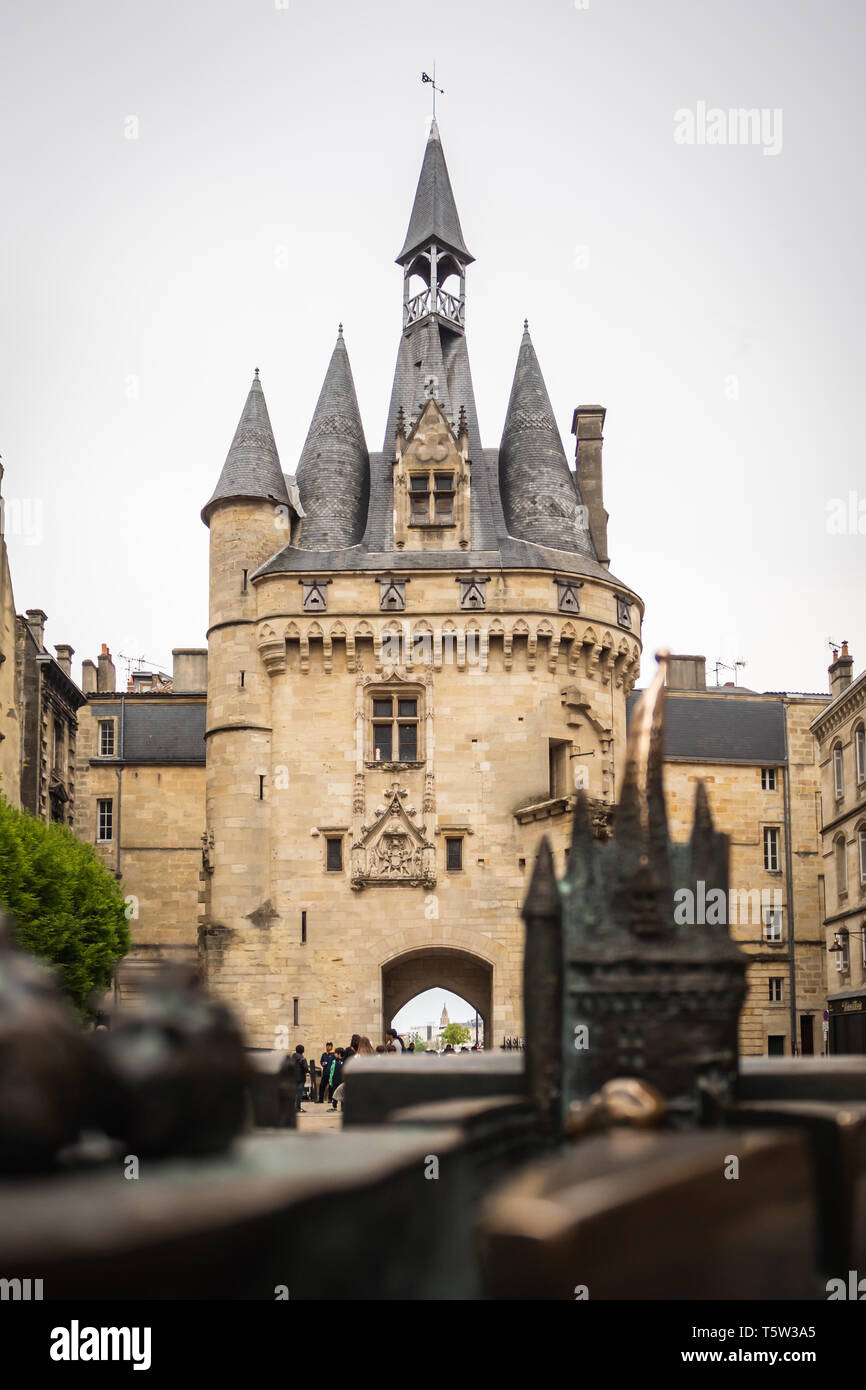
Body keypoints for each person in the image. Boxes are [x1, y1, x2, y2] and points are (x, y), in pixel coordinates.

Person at [293, 1043, 308, 1113]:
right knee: (299, 1094)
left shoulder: (292, 1058)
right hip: (301, 1079)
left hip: (293, 1078)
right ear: (303, 1051)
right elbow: (306, 1069)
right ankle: (298, 1108)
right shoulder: (302, 1059)